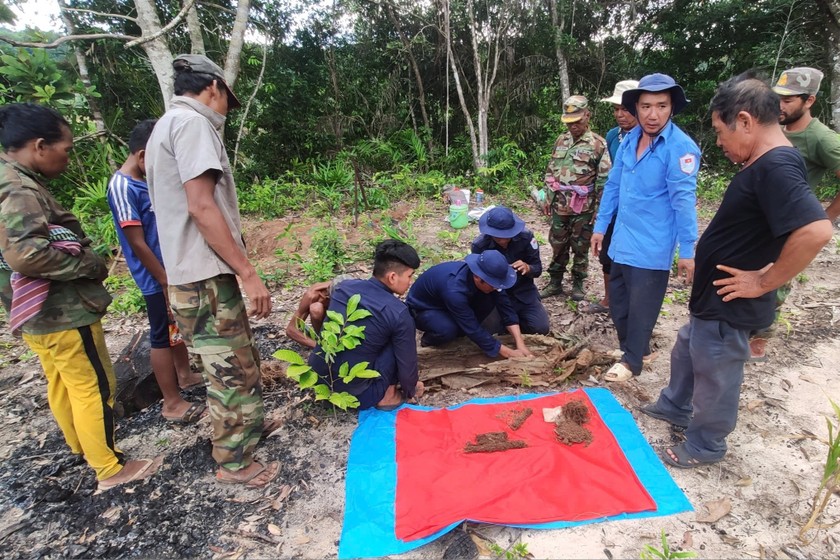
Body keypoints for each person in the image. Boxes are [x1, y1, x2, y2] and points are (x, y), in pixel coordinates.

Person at [640, 73, 832, 468]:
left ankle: (705, 444)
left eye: (719, 130)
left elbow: (816, 231)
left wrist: (765, 280)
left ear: (744, 121)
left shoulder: (777, 166)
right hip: (714, 297)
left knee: (716, 371)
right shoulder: (764, 163)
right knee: (688, 349)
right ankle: (675, 405)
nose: (719, 141)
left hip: (732, 302)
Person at [0, 103, 159, 491]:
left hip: (33, 313)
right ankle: (109, 466)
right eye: (66, 149)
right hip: (61, 309)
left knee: (61, 380)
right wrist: (89, 266)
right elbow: (26, 253)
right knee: (93, 385)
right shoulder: (19, 189)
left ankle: (81, 446)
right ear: (39, 146)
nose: (68, 157)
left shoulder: (9, 181)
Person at [146, 54, 279, 488]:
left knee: (236, 358)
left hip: (196, 274)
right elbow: (201, 206)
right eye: (227, 100)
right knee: (230, 369)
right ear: (214, 88)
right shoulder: (192, 124)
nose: (226, 110)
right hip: (204, 274)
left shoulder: (166, 125)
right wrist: (247, 272)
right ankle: (234, 463)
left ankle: (248, 430)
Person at [591, 73, 700, 382]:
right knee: (619, 302)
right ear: (636, 108)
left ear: (672, 108)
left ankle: (632, 362)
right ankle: (635, 349)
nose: (653, 115)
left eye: (662, 106)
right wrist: (600, 226)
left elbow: (684, 203)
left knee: (642, 307)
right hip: (622, 238)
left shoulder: (680, 149)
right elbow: (613, 185)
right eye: (646, 106)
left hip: (653, 244)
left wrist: (688, 251)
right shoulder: (629, 141)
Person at [106, 119, 205, 424]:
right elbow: (136, 242)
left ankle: (185, 375)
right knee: (161, 335)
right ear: (141, 155)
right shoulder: (122, 186)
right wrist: (163, 280)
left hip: (169, 272)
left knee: (174, 329)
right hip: (155, 278)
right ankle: (171, 402)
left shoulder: (144, 184)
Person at [745, 67, 840, 361]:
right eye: (778, 98)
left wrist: (826, 216)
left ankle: (758, 341)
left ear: (809, 101)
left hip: (788, 226)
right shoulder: (773, 128)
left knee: (774, 283)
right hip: (759, 223)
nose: (781, 105)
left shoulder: (820, 138)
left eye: (789, 100)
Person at [308, 241, 423, 410]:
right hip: (358, 396)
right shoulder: (398, 312)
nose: (410, 281)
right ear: (392, 277)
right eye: (409, 276)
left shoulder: (343, 288)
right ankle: (389, 397)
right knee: (396, 339)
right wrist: (411, 388)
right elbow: (407, 369)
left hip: (317, 382)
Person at [540, 95, 611, 302]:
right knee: (557, 244)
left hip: (583, 208)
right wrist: (547, 197)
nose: (573, 126)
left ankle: (578, 283)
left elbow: (604, 180)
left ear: (587, 115)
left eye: (577, 121)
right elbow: (551, 171)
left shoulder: (598, 144)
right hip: (559, 205)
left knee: (581, 246)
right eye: (569, 122)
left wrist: (599, 210)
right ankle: (555, 282)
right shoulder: (561, 141)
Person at [407, 250, 534, 359]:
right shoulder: (454, 289)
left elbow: (506, 308)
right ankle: (429, 341)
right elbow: (471, 326)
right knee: (447, 329)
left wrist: (520, 343)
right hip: (425, 309)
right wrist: (509, 353)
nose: (496, 288)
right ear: (478, 278)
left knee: (489, 300)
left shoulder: (490, 282)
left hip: (455, 304)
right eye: (493, 285)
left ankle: (460, 333)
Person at [582, 80, 639, 315]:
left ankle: (631, 305)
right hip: (613, 205)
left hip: (635, 209)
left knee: (631, 259)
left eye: (625, 109)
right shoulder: (613, 136)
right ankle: (609, 300)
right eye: (616, 109)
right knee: (607, 255)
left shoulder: (647, 138)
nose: (619, 114)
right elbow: (608, 176)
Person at [470, 206, 549, 334]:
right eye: (498, 236)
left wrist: (528, 268)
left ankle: (515, 323)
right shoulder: (480, 246)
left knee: (540, 328)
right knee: (489, 330)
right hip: (495, 294)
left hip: (523, 292)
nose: (503, 240)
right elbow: (477, 277)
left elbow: (538, 268)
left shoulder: (526, 238)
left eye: (507, 235)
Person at [285, 274, 354, 348]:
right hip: (326, 324)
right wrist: (318, 347)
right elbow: (291, 330)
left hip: (344, 322)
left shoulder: (352, 288)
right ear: (329, 295)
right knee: (316, 309)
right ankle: (322, 339)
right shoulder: (313, 295)